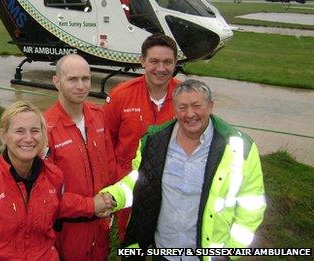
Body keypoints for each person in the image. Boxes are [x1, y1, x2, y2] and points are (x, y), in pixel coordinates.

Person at [101, 79, 266, 260]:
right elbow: (139, 183)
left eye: (197, 106)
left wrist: (230, 253)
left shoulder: (239, 148)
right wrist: (112, 196)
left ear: (211, 106)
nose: (190, 114)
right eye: (182, 107)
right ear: (174, 110)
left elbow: (251, 206)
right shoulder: (154, 141)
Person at [0, 101, 112, 260]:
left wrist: (92, 205)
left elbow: (60, 205)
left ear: (43, 134)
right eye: (19, 131)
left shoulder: (53, 176)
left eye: (34, 130)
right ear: (4, 135)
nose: (28, 138)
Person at [103, 33, 181, 241]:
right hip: (130, 183)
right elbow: (106, 143)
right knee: (129, 241)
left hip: (171, 186)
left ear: (176, 63)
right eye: (154, 61)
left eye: (167, 62)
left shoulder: (185, 96)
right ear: (142, 61)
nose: (161, 69)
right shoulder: (121, 95)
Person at [44, 54, 117, 261]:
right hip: (68, 232)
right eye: (72, 79)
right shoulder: (46, 128)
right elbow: (47, 194)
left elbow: (110, 167)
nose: (81, 85)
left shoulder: (98, 116)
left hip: (100, 227)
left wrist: (109, 199)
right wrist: (90, 206)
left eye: (85, 79)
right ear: (56, 82)